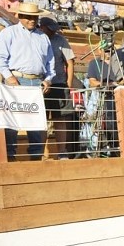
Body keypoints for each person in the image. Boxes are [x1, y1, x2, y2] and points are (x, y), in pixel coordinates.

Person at [0, 3, 55, 162]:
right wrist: (9, 77)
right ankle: (10, 156)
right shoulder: (9, 33)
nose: (32, 20)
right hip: (16, 79)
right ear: (20, 17)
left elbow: (50, 62)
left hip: (37, 82)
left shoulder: (43, 37)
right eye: (28, 17)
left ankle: (36, 156)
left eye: (34, 17)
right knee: (12, 120)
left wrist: (48, 79)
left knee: (36, 123)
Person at [39, 16, 76, 159]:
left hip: (59, 84)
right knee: (41, 120)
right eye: (50, 28)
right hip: (40, 83)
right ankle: (40, 152)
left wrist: (69, 83)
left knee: (60, 119)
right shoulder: (36, 39)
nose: (53, 31)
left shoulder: (60, 39)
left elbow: (70, 62)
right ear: (42, 27)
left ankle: (62, 151)